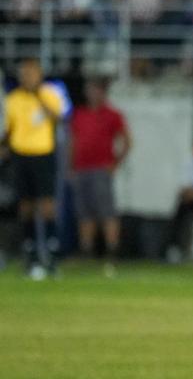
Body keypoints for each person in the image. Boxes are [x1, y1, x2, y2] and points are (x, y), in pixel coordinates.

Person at [1, 58, 69, 279]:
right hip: (21, 156)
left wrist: (39, 96)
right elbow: (9, 130)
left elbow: (59, 118)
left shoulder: (50, 94)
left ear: (39, 74)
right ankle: (30, 254)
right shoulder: (13, 99)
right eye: (24, 73)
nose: (27, 77)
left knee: (48, 205)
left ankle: (51, 254)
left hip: (43, 154)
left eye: (31, 73)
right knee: (26, 206)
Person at [67, 78, 130, 274]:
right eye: (89, 90)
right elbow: (73, 141)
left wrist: (115, 164)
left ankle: (112, 251)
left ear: (103, 92)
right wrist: (70, 166)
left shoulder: (112, 115)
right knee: (85, 213)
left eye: (95, 90)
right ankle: (87, 251)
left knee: (106, 212)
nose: (92, 94)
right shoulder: (79, 114)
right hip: (81, 169)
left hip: (101, 169)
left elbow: (127, 141)